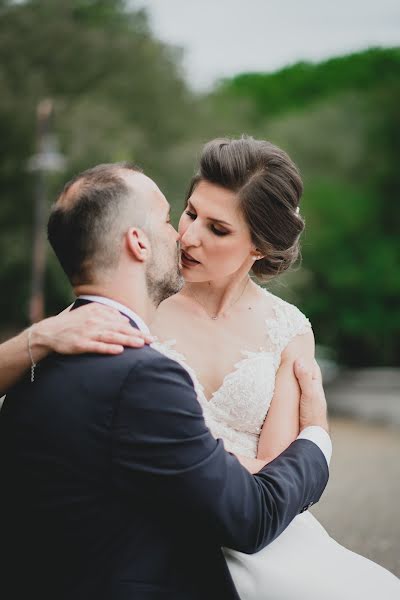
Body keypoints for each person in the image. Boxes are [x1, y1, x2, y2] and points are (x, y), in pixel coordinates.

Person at [3, 138, 399, 598]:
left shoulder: (287, 329)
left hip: (255, 521)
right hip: (166, 523)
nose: (189, 237)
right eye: (188, 214)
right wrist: (37, 336)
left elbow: (276, 471)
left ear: (259, 246)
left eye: (218, 229)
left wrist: (205, 462)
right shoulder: (131, 306)